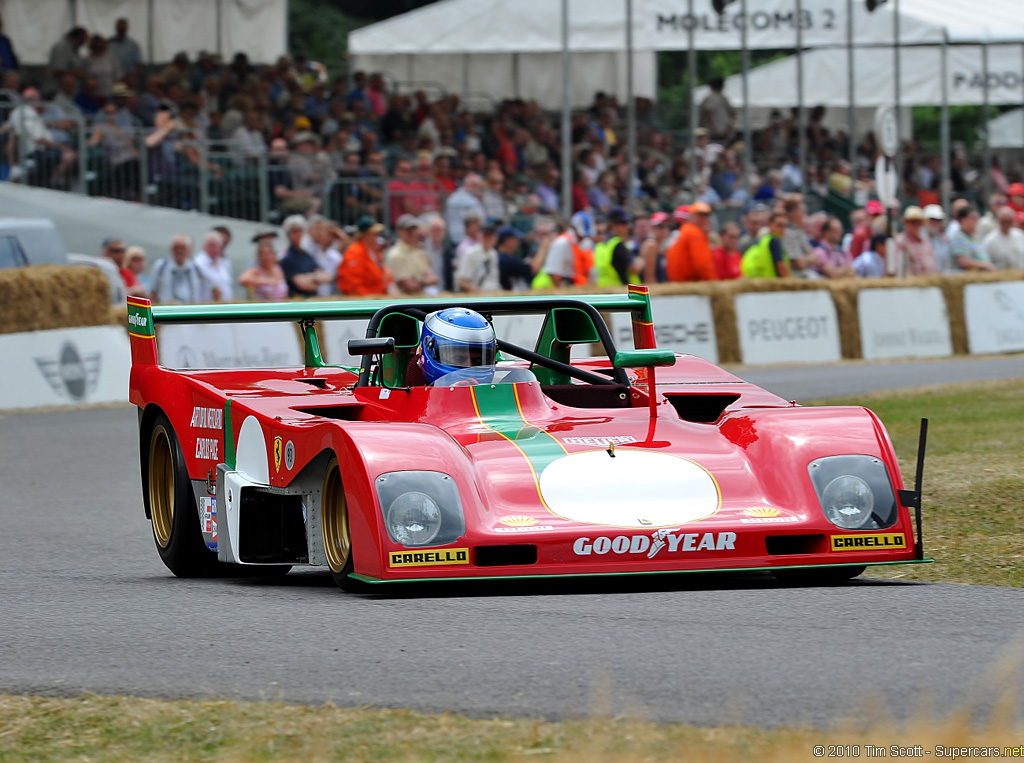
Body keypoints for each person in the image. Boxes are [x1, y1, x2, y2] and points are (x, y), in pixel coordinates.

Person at [415, 307, 498, 386]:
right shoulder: (407, 398)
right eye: (458, 359)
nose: (469, 367)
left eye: (478, 361)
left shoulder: (503, 395)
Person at [532, 214, 595, 288]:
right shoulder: (561, 243)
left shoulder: (584, 243)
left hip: (574, 286)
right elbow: (552, 272)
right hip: (548, 288)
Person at [279, 215, 333, 297]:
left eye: (299, 230)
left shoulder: (306, 255)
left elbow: (328, 277)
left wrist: (312, 279)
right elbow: (302, 284)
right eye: (293, 231)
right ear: (288, 234)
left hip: (312, 300)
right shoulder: (286, 258)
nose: (297, 234)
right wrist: (317, 279)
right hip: (296, 303)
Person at [337, 216, 392, 296]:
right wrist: (369, 301)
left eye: (377, 234)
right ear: (364, 235)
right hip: (363, 303)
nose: (376, 236)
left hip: (378, 300)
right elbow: (353, 287)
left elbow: (384, 278)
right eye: (373, 234)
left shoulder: (374, 252)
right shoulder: (355, 252)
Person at [386, 214, 439, 295]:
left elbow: (434, 279)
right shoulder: (396, 255)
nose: (412, 232)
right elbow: (409, 287)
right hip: (405, 304)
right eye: (408, 229)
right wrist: (424, 280)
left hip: (419, 300)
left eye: (414, 229)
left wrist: (417, 280)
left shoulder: (418, 252)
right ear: (400, 231)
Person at [665, 201, 715, 282]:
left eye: (706, 215)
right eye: (699, 215)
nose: (703, 218)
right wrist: (713, 282)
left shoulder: (685, 229)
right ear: (691, 216)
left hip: (679, 283)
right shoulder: (694, 232)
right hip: (687, 282)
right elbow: (702, 265)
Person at [594, 207, 643, 286]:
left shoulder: (600, 245)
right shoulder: (617, 244)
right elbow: (634, 269)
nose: (627, 226)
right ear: (612, 224)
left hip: (605, 292)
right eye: (623, 223)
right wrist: (641, 260)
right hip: (621, 292)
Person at [301, 215, 347, 296]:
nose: (320, 233)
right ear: (309, 230)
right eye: (318, 229)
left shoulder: (324, 250)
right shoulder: (303, 246)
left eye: (322, 230)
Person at [151, 234, 203, 304]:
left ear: (188, 250)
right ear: (171, 249)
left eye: (182, 248)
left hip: (191, 310)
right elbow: (153, 291)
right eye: (176, 248)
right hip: (167, 310)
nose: (179, 251)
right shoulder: (161, 266)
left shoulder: (196, 268)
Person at [741, 211, 791, 279]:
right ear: (770, 224)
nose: (782, 229)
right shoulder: (773, 241)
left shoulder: (764, 240)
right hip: (774, 284)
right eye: (779, 225)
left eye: (785, 226)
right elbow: (781, 268)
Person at [455, 218, 501, 293]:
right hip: (477, 298)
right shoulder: (470, 253)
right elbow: (461, 281)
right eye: (485, 235)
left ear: (495, 238)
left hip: (493, 296)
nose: (488, 238)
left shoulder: (493, 254)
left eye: (491, 235)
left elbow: (493, 280)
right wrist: (480, 292)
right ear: (479, 236)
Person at [949, 204, 996, 272]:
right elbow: (962, 261)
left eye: (977, 218)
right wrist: (984, 266)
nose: (976, 221)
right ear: (963, 220)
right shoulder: (958, 238)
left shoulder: (974, 238)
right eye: (973, 218)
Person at [896, 206, 938, 276]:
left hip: (929, 282)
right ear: (906, 223)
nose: (916, 226)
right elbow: (899, 267)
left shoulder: (925, 241)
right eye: (913, 223)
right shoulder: (900, 241)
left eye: (919, 223)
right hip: (913, 284)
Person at [193, 230, 233, 301]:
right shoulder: (198, 263)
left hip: (224, 306)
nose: (214, 249)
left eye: (216, 246)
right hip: (206, 307)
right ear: (204, 246)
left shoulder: (223, 262)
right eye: (211, 246)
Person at [640, 211, 674, 283]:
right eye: (660, 226)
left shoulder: (660, 247)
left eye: (667, 226)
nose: (664, 229)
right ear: (652, 228)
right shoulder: (651, 245)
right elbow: (649, 278)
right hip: (655, 291)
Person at [923, 204, 951, 272]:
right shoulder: (918, 237)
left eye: (938, 220)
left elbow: (945, 263)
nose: (935, 222)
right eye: (932, 219)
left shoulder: (942, 239)